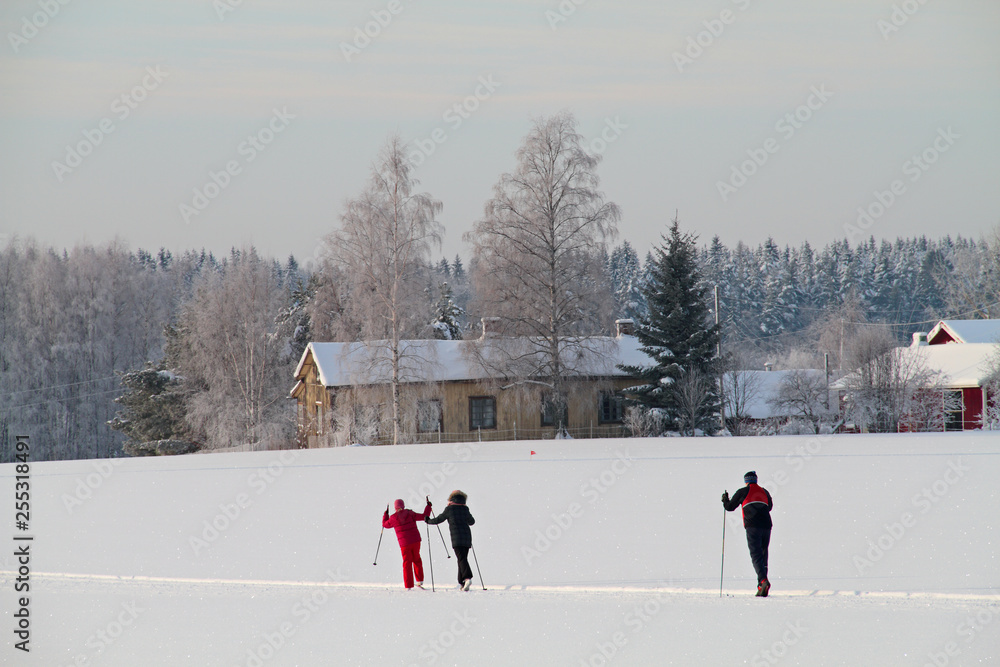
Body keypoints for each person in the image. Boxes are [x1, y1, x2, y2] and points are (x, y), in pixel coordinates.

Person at [722, 471, 773, 597]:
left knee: (756, 555)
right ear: (756, 480)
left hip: (752, 526)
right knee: (763, 554)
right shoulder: (765, 491)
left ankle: (763, 581)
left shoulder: (742, 491)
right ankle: (761, 586)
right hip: (767, 525)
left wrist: (725, 500)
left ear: (746, 481)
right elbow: (770, 506)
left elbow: (729, 507)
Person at [426, 490, 476, 591]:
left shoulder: (450, 509)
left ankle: (467, 578)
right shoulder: (465, 509)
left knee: (462, 558)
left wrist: (428, 520)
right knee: (462, 558)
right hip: (467, 537)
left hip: (456, 537)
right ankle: (462, 582)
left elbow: (439, 519)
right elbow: (472, 522)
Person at [383, 498, 432, 589]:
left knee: (407, 562)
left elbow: (385, 525)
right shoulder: (410, 513)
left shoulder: (393, 518)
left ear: (395, 507)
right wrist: (428, 506)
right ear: (403, 505)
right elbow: (424, 516)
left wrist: (385, 515)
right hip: (416, 541)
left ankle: (408, 585)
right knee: (417, 559)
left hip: (404, 543)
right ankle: (419, 580)